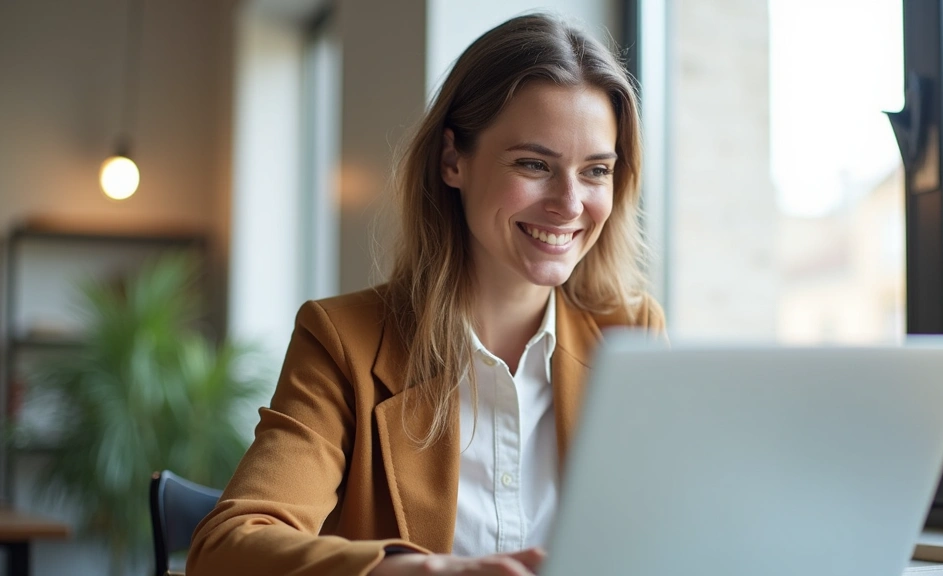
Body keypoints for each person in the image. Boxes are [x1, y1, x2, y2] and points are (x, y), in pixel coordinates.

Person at [187, 12, 663, 576]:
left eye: (596, 171)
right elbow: (226, 549)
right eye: (534, 164)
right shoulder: (345, 343)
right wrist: (425, 572)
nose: (569, 203)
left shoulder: (629, 333)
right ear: (451, 160)